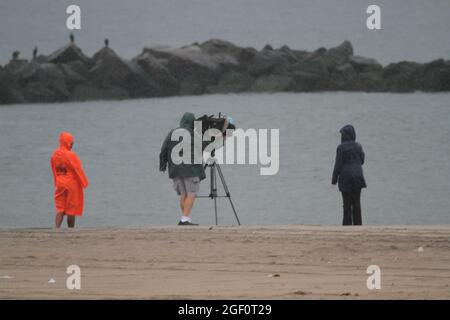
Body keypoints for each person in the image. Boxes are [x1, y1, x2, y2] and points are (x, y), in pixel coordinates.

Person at [160, 112, 206, 226]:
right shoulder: (193, 134)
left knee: (183, 194)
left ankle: (185, 217)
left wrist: (163, 164)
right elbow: (202, 146)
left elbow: (163, 149)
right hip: (190, 169)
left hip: (175, 169)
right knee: (191, 193)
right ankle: (184, 218)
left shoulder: (172, 132)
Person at [50, 132, 89, 229]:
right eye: (71, 142)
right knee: (71, 209)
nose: (72, 145)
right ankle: (70, 230)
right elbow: (78, 168)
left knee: (60, 207)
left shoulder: (54, 155)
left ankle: (56, 228)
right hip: (71, 184)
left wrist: (56, 181)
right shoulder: (70, 155)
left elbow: (54, 169)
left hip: (60, 183)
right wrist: (84, 183)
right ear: (68, 142)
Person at [332, 125, 366, 225]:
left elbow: (338, 165)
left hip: (345, 178)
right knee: (356, 203)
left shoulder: (341, 148)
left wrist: (334, 179)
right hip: (358, 177)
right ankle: (358, 225)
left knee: (347, 204)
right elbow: (362, 161)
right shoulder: (359, 146)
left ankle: (347, 226)